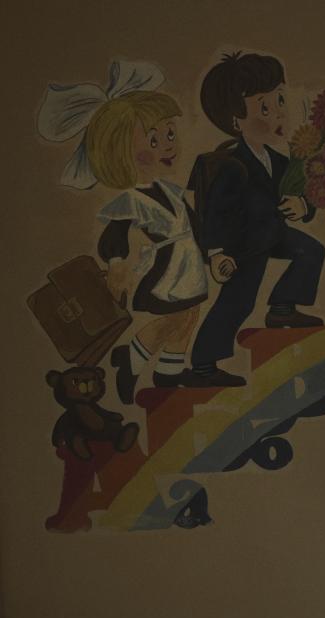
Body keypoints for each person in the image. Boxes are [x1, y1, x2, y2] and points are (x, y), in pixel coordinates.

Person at [37, 62, 208, 404]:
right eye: (154, 139)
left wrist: (210, 251)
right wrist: (117, 263)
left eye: (169, 134)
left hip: (189, 264)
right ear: (122, 153)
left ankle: (170, 371)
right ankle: (131, 358)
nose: (167, 146)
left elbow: (193, 224)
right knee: (172, 316)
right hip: (166, 269)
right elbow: (112, 238)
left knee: (190, 316)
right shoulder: (131, 200)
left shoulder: (170, 191)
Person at [188, 52, 325, 387]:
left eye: (280, 100)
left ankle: (281, 308)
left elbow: (297, 190)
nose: (279, 111)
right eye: (264, 107)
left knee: (311, 251)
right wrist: (218, 253)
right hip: (243, 246)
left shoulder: (275, 159)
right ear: (236, 121)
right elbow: (216, 213)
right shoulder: (231, 165)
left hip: (272, 233)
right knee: (237, 302)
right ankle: (204, 365)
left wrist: (303, 205)